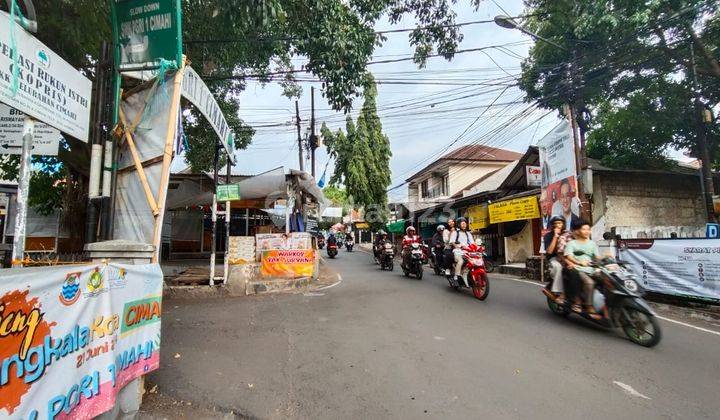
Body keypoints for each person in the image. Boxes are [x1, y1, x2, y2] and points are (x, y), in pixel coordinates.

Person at [563, 220, 601, 319]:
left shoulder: (592, 244)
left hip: (591, 269)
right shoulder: (572, 243)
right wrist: (579, 262)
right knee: (590, 283)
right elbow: (569, 257)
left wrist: (607, 258)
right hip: (578, 269)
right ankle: (588, 305)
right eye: (583, 229)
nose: (586, 231)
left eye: (588, 229)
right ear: (579, 231)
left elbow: (597, 258)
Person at [543, 216, 566, 304]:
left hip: (567, 257)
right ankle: (558, 292)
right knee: (558, 267)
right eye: (555, 224)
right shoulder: (548, 236)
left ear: (563, 224)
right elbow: (549, 251)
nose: (557, 225)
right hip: (554, 258)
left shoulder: (567, 234)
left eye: (559, 223)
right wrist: (555, 237)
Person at [448, 217, 475, 286]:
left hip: (467, 251)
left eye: (465, 223)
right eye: (462, 223)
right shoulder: (455, 232)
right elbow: (452, 242)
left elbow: (472, 243)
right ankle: (456, 277)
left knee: (474, 261)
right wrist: (456, 245)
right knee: (460, 261)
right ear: (458, 225)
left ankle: (467, 274)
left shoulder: (468, 233)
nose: (464, 225)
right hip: (458, 251)